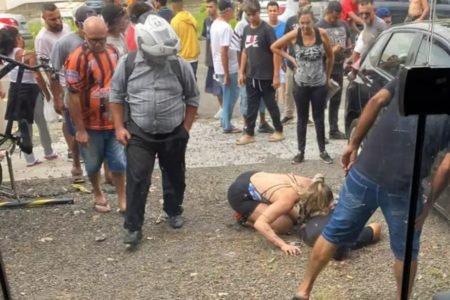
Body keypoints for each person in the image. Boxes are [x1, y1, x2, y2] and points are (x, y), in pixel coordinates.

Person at [293, 78, 449, 300]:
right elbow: (447, 165)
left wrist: (353, 144)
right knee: (406, 250)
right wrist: (429, 204)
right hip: (404, 186)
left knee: (333, 232)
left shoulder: (413, 76)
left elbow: (376, 100)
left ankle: (303, 290)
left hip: (366, 170)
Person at [109, 15, 199, 246]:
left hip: (174, 132)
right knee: (138, 179)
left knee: (175, 175)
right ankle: (133, 227)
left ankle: (173, 210)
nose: (162, 59)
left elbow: (192, 97)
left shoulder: (180, 64)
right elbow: (116, 96)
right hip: (139, 133)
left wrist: (185, 129)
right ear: (142, 46)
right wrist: (119, 127)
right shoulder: (127, 64)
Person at [228, 171, 382, 257]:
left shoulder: (313, 185)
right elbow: (262, 224)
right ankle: (244, 218)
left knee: (295, 218)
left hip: (254, 177)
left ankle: (268, 207)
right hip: (241, 193)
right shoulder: (288, 198)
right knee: (284, 225)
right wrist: (283, 245)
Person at [65, 16, 126, 214]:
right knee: (92, 165)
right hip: (90, 124)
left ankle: (122, 197)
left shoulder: (113, 51)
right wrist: (80, 130)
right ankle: (98, 192)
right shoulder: (76, 59)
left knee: (118, 162)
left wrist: (121, 121)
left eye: (102, 39)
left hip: (112, 121)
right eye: (94, 40)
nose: (99, 44)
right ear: (84, 34)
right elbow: (73, 97)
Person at [271, 7, 335, 164]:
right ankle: (300, 152)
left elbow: (330, 56)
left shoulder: (322, 34)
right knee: (302, 118)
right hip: (300, 83)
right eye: (302, 23)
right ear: (298, 23)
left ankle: (323, 151)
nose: (305, 26)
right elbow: (274, 47)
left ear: (313, 21)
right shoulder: (295, 35)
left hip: (319, 84)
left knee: (319, 118)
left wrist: (327, 77)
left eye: (308, 23)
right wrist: (290, 59)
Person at [50, 5, 97, 183]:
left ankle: (103, 168)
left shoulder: (101, 39)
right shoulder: (64, 43)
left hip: (97, 96)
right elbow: (53, 72)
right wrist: (57, 98)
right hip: (75, 95)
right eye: (86, 25)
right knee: (77, 132)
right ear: (78, 24)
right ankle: (77, 163)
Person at [236, 0, 284, 145]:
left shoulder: (267, 29)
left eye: (253, 14)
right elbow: (244, 51)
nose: (251, 17)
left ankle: (279, 130)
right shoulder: (246, 29)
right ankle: (250, 132)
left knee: (271, 105)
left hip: (266, 76)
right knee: (251, 105)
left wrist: (276, 75)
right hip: (251, 75)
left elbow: (276, 52)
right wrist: (241, 71)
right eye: (248, 15)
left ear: (258, 12)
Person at [0, 26, 51, 163]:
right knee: (41, 123)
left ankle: (29, 158)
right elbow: (37, 76)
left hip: (15, 91)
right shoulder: (27, 54)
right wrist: (46, 92)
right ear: (17, 38)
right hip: (31, 91)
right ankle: (48, 151)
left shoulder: (3, 55)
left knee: (24, 124)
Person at [31, 3, 71, 165]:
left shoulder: (67, 28)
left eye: (59, 17)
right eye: (52, 19)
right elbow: (46, 68)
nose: (57, 21)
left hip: (76, 79)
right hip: (60, 82)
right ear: (44, 18)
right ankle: (71, 149)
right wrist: (56, 94)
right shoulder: (42, 38)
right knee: (67, 118)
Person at [317, 1, 352, 140]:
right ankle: (321, 133)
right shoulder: (319, 27)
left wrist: (348, 51)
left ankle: (334, 129)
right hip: (323, 68)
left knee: (336, 100)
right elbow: (316, 52)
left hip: (338, 67)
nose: (335, 20)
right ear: (327, 12)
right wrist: (333, 50)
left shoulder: (343, 25)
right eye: (333, 17)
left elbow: (348, 42)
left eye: (337, 17)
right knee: (321, 101)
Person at [210, 0, 241, 134]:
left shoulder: (215, 24)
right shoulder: (226, 28)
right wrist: (227, 73)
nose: (234, 12)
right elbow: (224, 51)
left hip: (219, 66)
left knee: (228, 95)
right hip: (228, 68)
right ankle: (227, 124)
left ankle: (225, 121)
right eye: (233, 9)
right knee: (231, 96)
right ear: (228, 10)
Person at [281, 0, 313, 125]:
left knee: (305, 90)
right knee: (289, 90)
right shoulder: (290, 20)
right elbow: (284, 40)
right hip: (291, 61)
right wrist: (284, 60)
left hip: (306, 62)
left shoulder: (312, 20)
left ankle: (305, 115)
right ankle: (288, 114)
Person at [202, 0, 223, 121]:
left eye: (211, 6)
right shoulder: (206, 21)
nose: (208, 9)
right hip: (211, 58)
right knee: (214, 84)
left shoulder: (221, 22)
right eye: (207, 7)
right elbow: (207, 40)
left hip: (219, 58)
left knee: (221, 83)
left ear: (216, 7)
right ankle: (221, 107)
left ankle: (223, 107)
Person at [171, 0, 200, 78]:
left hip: (183, 58)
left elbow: (173, 42)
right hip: (194, 57)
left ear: (173, 7)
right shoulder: (190, 17)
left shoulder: (175, 21)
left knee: (183, 85)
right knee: (193, 83)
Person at [267, 1, 286, 107]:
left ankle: (284, 109)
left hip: (282, 60)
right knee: (271, 87)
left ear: (279, 12)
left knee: (283, 86)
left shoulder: (284, 26)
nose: (273, 13)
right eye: (270, 11)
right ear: (267, 12)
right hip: (268, 61)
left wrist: (284, 61)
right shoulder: (264, 27)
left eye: (275, 11)